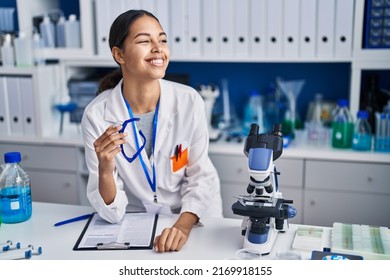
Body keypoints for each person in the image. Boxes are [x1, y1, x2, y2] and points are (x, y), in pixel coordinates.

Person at [81, 9, 223, 253]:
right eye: (145, 41)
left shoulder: (189, 102)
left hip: (191, 216)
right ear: (119, 54)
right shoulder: (97, 116)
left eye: (163, 40)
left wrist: (182, 226)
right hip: (139, 222)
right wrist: (105, 168)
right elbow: (111, 213)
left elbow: (201, 176)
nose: (158, 48)